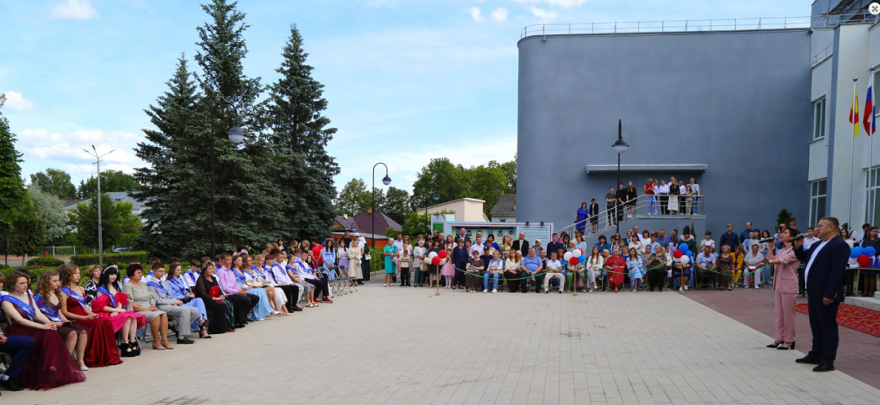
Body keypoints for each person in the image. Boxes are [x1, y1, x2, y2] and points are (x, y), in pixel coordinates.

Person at [1, 271, 87, 390]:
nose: (26, 285)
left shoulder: (28, 296)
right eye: (22, 283)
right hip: (17, 330)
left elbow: (38, 314)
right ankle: (50, 367)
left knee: (50, 331)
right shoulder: (6, 300)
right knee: (46, 333)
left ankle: (52, 366)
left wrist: (50, 323)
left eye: (26, 283)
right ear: (12, 284)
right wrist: (42, 326)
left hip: (32, 327)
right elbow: (20, 320)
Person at [793, 216, 849, 372]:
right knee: (816, 325)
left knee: (827, 326)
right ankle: (816, 354)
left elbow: (837, 271)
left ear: (831, 228)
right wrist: (798, 246)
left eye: (820, 226)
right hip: (814, 291)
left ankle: (828, 360)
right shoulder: (818, 244)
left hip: (826, 293)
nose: (817, 228)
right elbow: (804, 259)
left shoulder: (839, 245)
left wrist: (830, 293)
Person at [33, 270, 90, 372]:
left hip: (59, 322)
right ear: (46, 282)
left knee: (83, 332)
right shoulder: (38, 296)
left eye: (58, 280)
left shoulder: (56, 293)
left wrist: (66, 321)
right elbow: (37, 315)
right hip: (48, 324)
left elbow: (59, 312)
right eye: (54, 281)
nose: (58, 283)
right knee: (72, 333)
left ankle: (80, 360)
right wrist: (53, 323)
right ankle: (65, 362)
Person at [90, 265, 146, 356]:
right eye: (111, 274)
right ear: (106, 275)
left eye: (115, 274)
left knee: (133, 317)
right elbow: (101, 306)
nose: (113, 276)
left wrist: (118, 310)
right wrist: (117, 310)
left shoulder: (115, 286)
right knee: (127, 317)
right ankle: (125, 343)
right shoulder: (101, 289)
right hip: (106, 313)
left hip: (116, 312)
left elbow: (119, 300)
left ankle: (132, 342)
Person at [764, 227, 800, 350]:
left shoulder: (795, 251)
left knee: (788, 315)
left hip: (789, 286)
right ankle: (779, 338)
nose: (781, 235)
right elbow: (771, 259)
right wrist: (770, 247)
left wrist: (771, 261)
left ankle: (789, 340)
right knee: (779, 314)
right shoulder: (782, 250)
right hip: (779, 285)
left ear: (791, 237)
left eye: (785, 233)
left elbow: (783, 261)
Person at [123, 265, 173, 350]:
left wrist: (153, 305)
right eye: (138, 273)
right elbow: (130, 303)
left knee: (164, 314)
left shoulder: (143, 284)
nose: (141, 275)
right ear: (132, 275)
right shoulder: (128, 286)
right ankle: (156, 341)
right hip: (138, 310)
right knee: (155, 316)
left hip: (149, 308)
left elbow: (151, 297)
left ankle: (164, 340)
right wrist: (146, 309)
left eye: (141, 273)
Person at [148, 265, 200, 344]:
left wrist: (175, 301)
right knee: (185, 311)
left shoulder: (164, 283)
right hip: (161, 306)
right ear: (154, 271)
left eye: (163, 271)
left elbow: (170, 295)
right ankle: (181, 337)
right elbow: (157, 300)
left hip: (171, 304)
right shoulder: (150, 284)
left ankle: (179, 329)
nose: (162, 273)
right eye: (160, 271)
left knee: (195, 311)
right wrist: (172, 302)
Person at [164, 262, 212, 337]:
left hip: (186, 299)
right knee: (197, 307)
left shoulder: (180, 280)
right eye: (178, 270)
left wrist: (188, 294)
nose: (180, 272)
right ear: (173, 270)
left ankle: (201, 320)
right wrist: (184, 296)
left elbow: (184, 290)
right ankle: (203, 328)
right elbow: (172, 295)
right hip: (179, 301)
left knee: (199, 300)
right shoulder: (168, 282)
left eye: (180, 270)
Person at [216, 253, 259, 328]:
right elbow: (224, 288)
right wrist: (237, 291)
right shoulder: (221, 272)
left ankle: (243, 316)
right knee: (246, 300)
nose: (230, 261)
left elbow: (235, 285)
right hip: (228, 293)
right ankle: (239, 319)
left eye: (230, 259)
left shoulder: (230, 272)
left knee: (255, 298)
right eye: (228, 259)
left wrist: (241, 291)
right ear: (222, 261)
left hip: (234, 291)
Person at [194, 260, 231, 334]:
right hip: (206, 300)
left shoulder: (213, 278)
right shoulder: (201, 280)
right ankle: (215, 328)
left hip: (215, 298)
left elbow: (219, 289)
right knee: (221, 305)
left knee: (228, 302)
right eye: (209, 269)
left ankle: (227, 326)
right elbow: (203, 294)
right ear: (204, 270)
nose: (212, 270)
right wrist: (215, 298)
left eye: (212, 268)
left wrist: (221, 295)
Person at [230, 255, 272, 320]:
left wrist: (249, 286)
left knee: (262, 291)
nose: (241, 262)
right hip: (240, 289)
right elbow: (234, 284)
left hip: (246, 287)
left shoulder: (240, 270)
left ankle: (261, 312)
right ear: (234, 262)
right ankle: (257, 314)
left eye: (241, 260)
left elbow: (244, 282)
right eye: (239, 260)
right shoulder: (233, 271)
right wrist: (245, 288)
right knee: (260, 291)